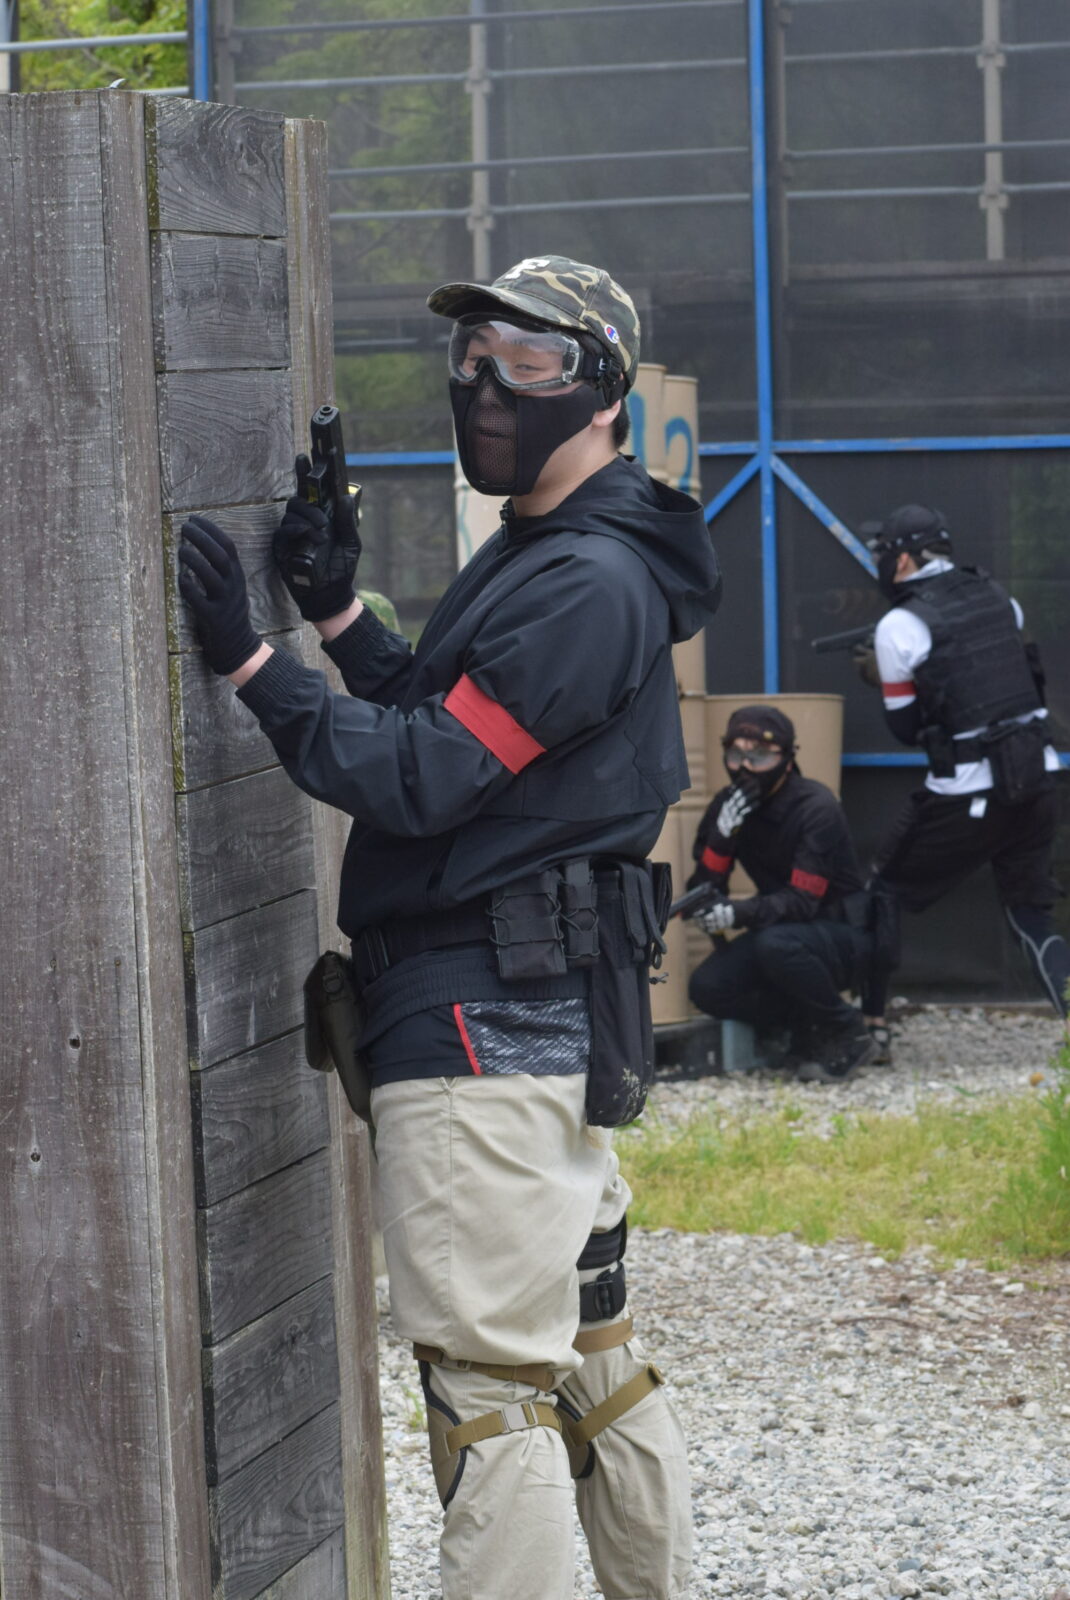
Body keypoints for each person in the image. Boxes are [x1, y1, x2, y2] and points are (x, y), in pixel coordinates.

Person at [177, 255, 720, 1600]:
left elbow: (424, 776)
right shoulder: (559, 550)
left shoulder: (586, 580)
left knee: (489, 1393)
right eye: (472, 355)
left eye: (529, 362)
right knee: (589, 1361)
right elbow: (454, 717)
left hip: (486, 1033)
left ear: (604, 391)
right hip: (536, 1020)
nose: (485, 385)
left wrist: (254, 664)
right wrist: (335, 614)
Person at [857, 502, 1070, 1045]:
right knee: (1030, 913)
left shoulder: (899, 625)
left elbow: (906, 728)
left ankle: (869, 1030)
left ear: (901, 559)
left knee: (883, 892)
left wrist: (880, 675)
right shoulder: (1001, 598)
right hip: (1039, 778)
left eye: (883, 554)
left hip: (971, 791)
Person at [685, 706, 876, 1082]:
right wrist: (721, 841)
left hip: (844, 936)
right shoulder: (728, 806)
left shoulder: (816, 807)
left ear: (787, 760)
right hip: (782, 932)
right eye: (735, 754)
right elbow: (704, 890)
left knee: (775, 945)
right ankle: (798, 1027)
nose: (745, 767)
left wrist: (736, 913)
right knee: (708, 987)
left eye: (759, 756)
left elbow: (803, 901)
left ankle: (848, 1031)